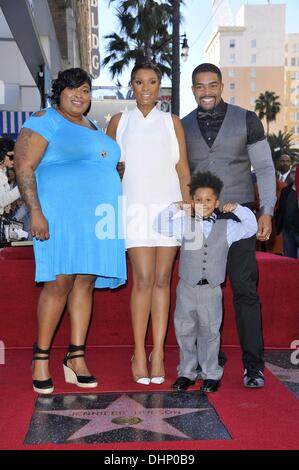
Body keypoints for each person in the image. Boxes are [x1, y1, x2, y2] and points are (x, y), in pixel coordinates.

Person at [14, 68, 126, 394]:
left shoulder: (93, 127)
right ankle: (40, 358)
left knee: (85, 282)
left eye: (86, 90)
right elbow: (24, 166)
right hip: (58, 214)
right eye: (73, 89)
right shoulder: (44, 119)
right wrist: (35, 212)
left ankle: (76, 358)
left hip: (96, 218)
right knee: (59, 281)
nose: (80, 95)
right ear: (59, 92)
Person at [182, 63, 276, 388]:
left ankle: (254, 366)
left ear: (221, 86)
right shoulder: (182, 126)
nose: (206, 91)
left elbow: (264, 168)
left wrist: (266, 210)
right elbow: (180, 174)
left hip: (238, 218)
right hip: (201, 222)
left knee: (244, 290)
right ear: (193, 89)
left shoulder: (246, 119)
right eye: (199, 86)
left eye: (212, 85)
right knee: (202, 292)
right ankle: (207, 360)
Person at [107, 62, 191, 385]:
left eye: (152, 82)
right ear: (131, 85)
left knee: (162, 279)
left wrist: (189, 210)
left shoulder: (172, 123)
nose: (145, 87)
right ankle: (139, 352)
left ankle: (159, 352)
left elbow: (183, 169)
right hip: (134, 209)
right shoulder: (120, 121)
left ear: (160, 87)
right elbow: (106, 168)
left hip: (170, 209)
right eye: (139, 81)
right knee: (142, 278)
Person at [154, 172, 258, 392]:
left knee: (210, 332)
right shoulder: (184, 224)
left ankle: (211, 373)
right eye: (198, 200)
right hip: (187, 288)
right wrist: (175, 207)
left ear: (217, 203)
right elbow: (159, 224)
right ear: (192, 202)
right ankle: (187, 372)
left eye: (208, 200)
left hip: (211, 289)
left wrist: (238, 209)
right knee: (184, 330)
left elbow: (251, 227)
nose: (203, 204)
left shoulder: (227, 227)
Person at [275, 164, 299, 258]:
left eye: (296, 172)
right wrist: (279, 225)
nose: (294, 174)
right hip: (288, 232)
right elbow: (280, 209)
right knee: (289, 261)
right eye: (292, 172)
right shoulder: (285, 190)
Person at [0, 137, 20, 216]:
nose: (14, 160)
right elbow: (2, 200)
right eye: (11, 157)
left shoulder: (3, 171)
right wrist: (22, 187)